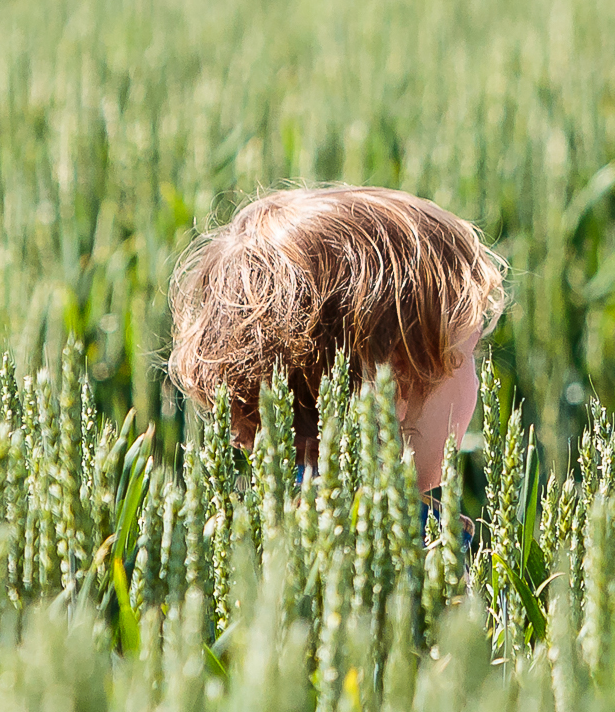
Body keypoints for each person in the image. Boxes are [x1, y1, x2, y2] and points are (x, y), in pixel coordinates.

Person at [166, 184, 508, 492]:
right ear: (395, 384)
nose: (479, 382)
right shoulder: (415, 556)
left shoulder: (240, 542)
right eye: (471, 352)